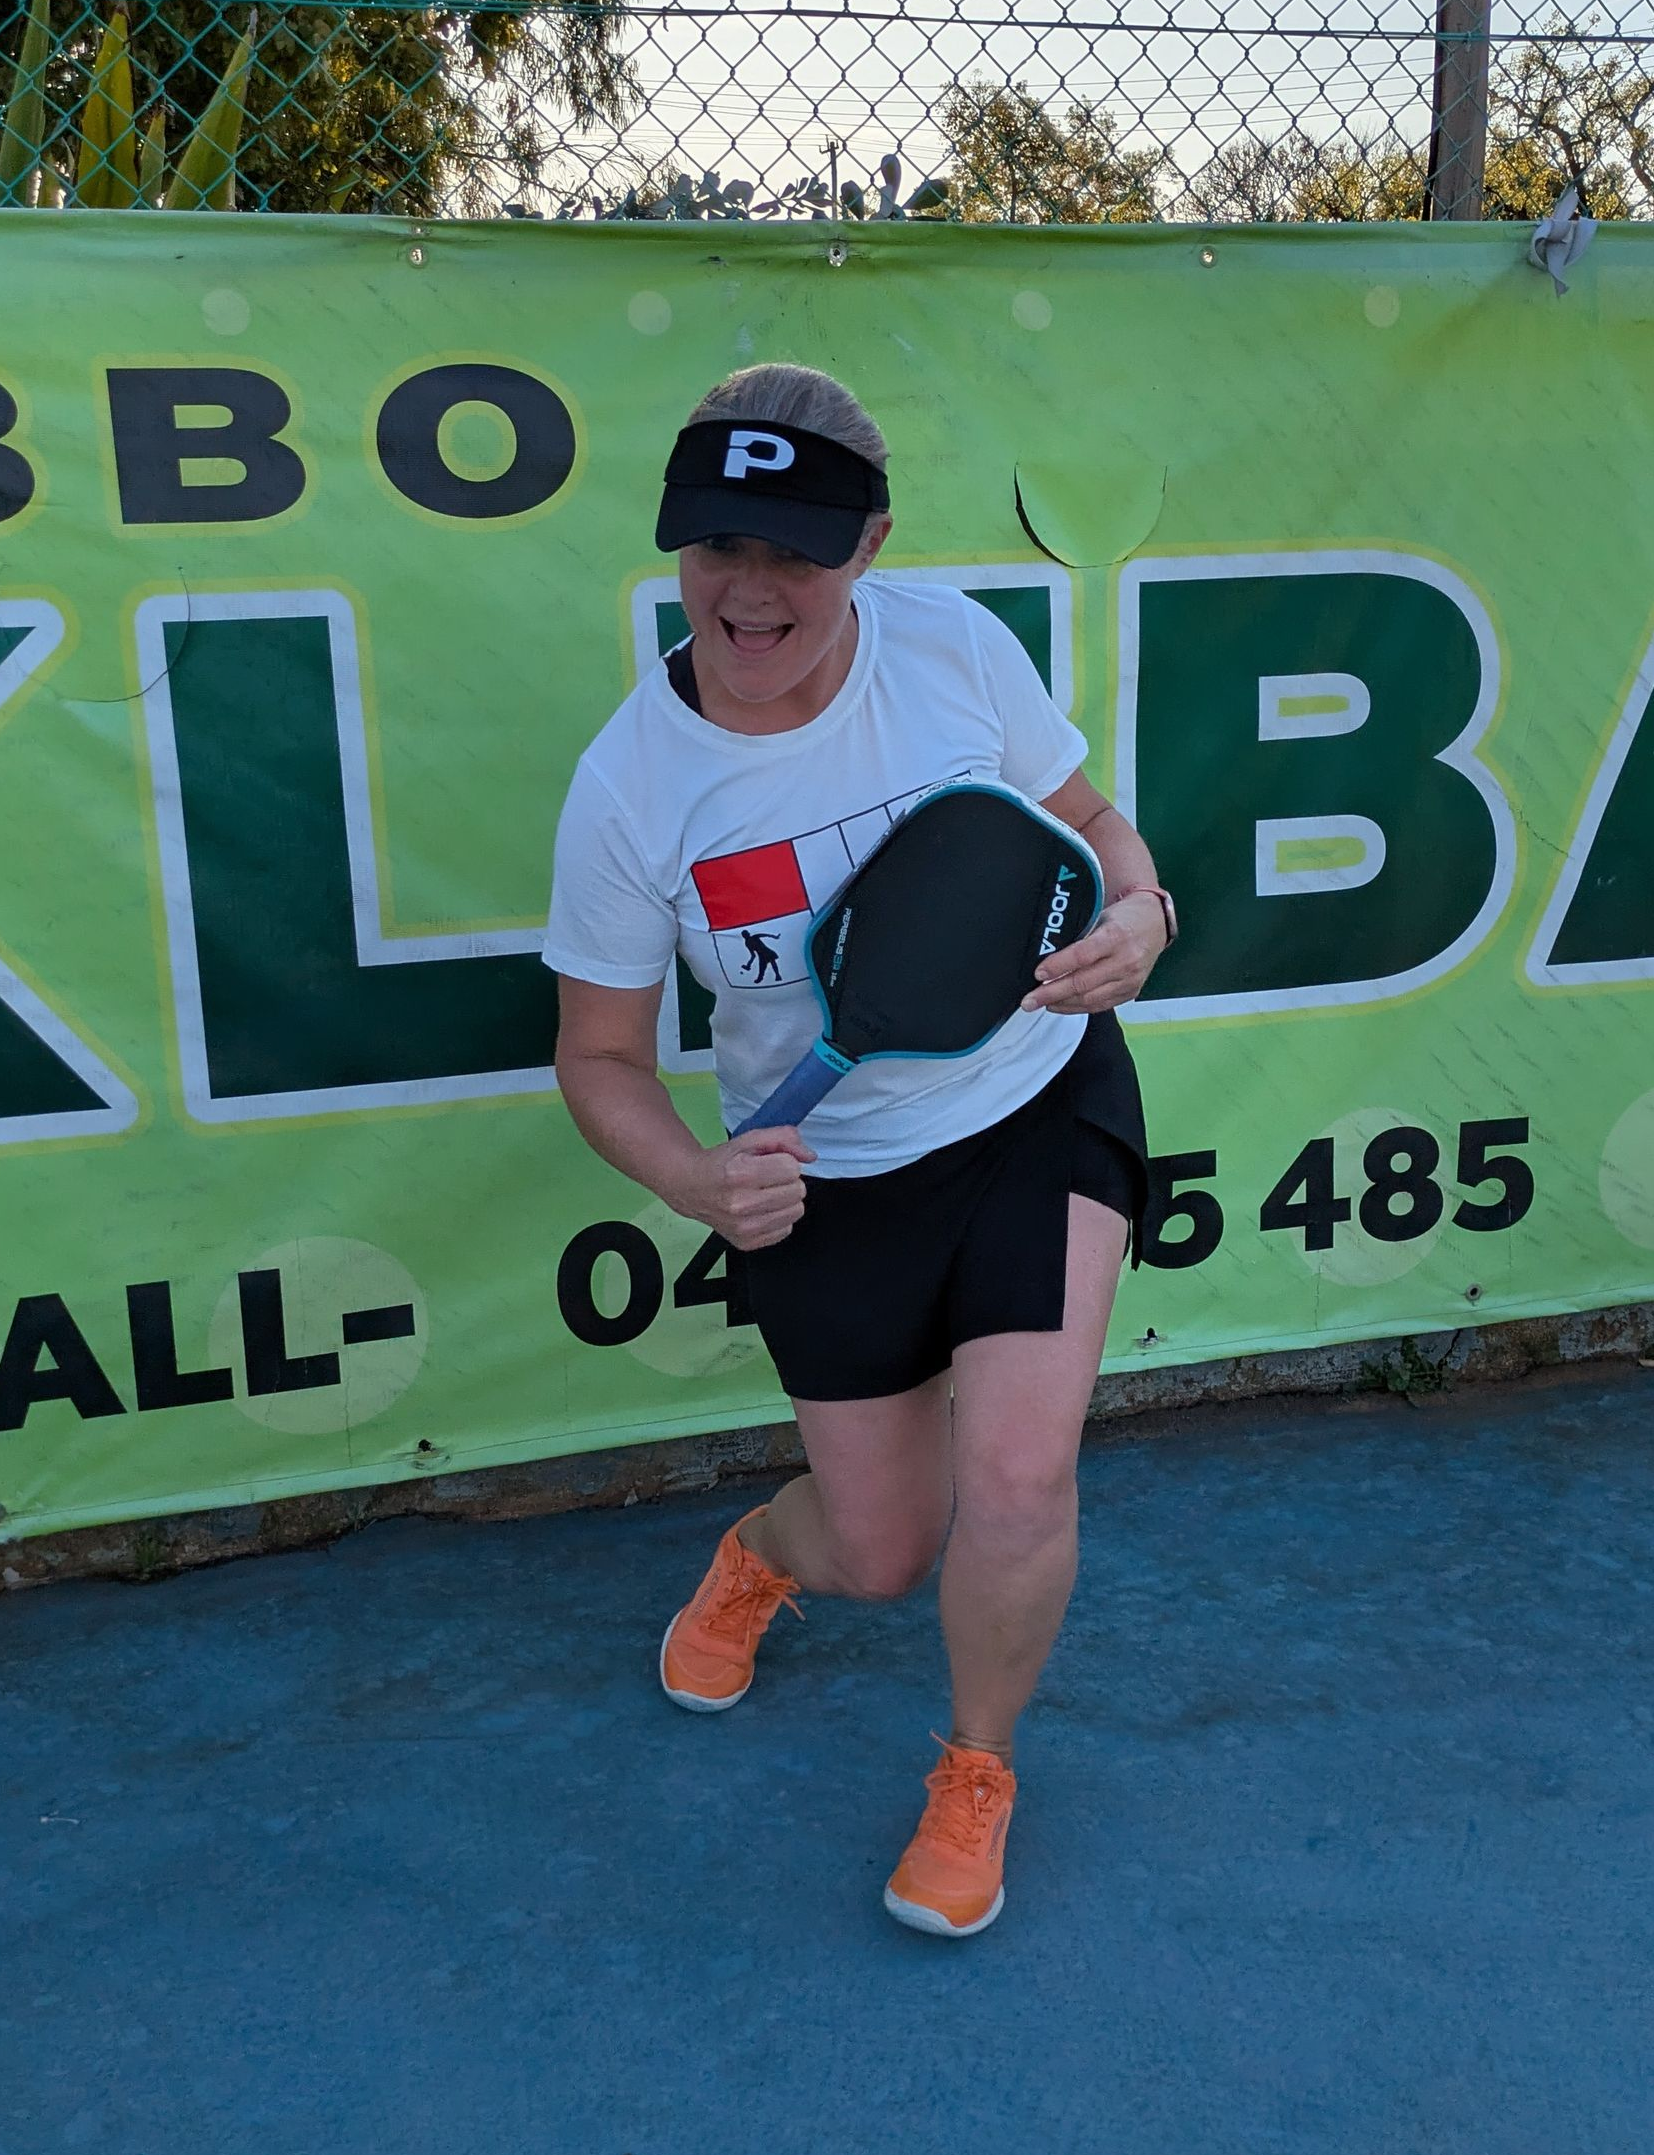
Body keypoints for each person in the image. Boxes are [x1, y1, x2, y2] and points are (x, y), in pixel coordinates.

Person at [543, 363, 1175, 1938]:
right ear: (676, 541)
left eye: (798, 552)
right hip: (820, 1172)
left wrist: (1145, 908)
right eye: (717, 546)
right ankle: (763, 1553)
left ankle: (977, 1765)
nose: (750, 590)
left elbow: (1095, 827)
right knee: (883, 1549)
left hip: (1033, 1099)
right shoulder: (628, 788)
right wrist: (694, 1178)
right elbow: (599, 1056)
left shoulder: (953, 650)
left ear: (871, 545)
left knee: (1018, 1472)